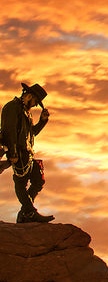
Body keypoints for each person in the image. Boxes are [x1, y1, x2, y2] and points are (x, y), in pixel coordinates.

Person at [0, 82, 53, 222]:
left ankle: (25, 211)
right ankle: (29, 212)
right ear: (29, 96)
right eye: (35, 101)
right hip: (19, 154)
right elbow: (8, 132)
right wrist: (13, 153)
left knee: (38, 181)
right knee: (20, 183)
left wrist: (42, 121)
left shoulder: (26, 112)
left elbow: (31, 133)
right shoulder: (12, 108)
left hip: (28, 154)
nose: (36, 105)